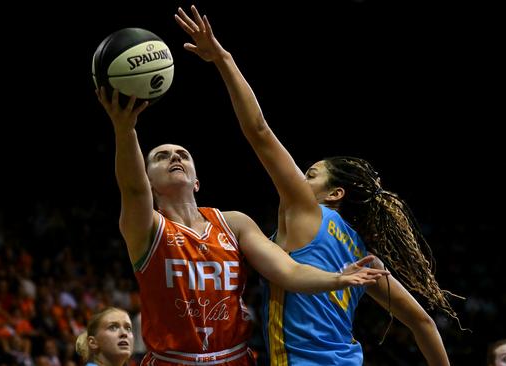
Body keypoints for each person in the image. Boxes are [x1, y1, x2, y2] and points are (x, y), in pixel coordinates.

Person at [175, 5, 462, 366]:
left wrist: (223, 58)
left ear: (334, 194)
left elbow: (260, 132)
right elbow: (422, 323)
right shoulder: (362, 256)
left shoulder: (307, 212)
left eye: (310, 175)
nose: (299, 178)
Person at [95, 54, 389, 366]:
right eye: (161, 157)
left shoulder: (233, 223)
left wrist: (338, 279)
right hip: (172, 360)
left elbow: (287, 271)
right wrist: (125, 129)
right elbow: (132, 189)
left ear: (196, 181)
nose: (174, 158)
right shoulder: (147, 228)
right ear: (150, 180)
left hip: (235, 359)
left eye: (182, 154)